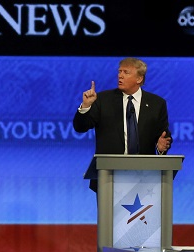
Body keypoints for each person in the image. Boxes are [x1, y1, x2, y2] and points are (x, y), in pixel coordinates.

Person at [73, 57, 172, 191]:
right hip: (108, 177)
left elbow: (163, 135)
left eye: (126, 72)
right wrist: (85, 106)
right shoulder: (103, 100)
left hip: (144, 178)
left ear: (139, 79)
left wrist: (161, 147)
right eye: (119, 72)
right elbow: (80, 127)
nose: (120, 75)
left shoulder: (157, 103)